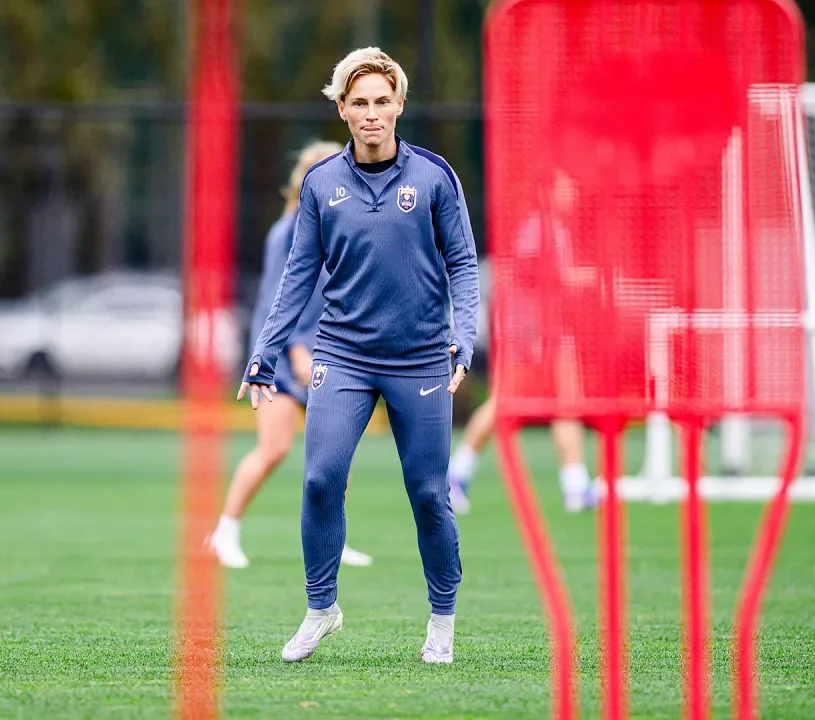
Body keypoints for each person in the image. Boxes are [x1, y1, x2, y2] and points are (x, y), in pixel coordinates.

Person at [238, 47, 479, 665]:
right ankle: (321, 609)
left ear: (399, 105)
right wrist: (266, 349)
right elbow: (297, 276)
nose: (372, 114)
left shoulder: (434, 177)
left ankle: (442, 619)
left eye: (382, 101)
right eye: (359, 103)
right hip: (341, 354)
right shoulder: (322, 185)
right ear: (342, 110)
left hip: (421, 357)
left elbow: (462, 264)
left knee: (428, 493)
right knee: (320, 479)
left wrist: (465, 336)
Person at [207, 140, 373, 570]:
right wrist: (297, 345)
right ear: (305, 178)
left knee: (337, 453)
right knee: (274, 448)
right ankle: (224, 532)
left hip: (330, 352)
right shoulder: (290, 230)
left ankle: (334, 540)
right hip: (286, 357)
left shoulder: (339, 222)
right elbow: (280, 297)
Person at [447, 171, 597, 515]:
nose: (573, 190)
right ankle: (456, 474)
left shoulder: (554, 228)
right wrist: (584, 279)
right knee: (504, 403)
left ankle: (575, 486)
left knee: (567, 405)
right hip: (531, 332)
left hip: (550, 331)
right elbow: (531, 279)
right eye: (566, 184)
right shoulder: (539, 228)